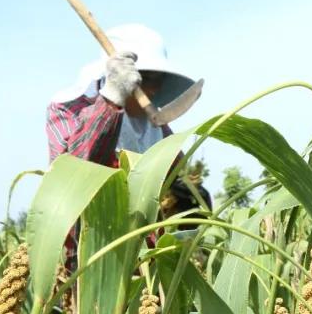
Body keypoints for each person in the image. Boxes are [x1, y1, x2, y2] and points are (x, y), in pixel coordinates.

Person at [46, 23, 211, 224]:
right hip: (91, 236)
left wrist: (188, 193)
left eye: (158, 81)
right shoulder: (70, 109)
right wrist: (112, 99)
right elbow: (72, 176)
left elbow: (177, 172)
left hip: (142, 241)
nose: (153, 91)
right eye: (145, 79)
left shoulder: (156, 125)